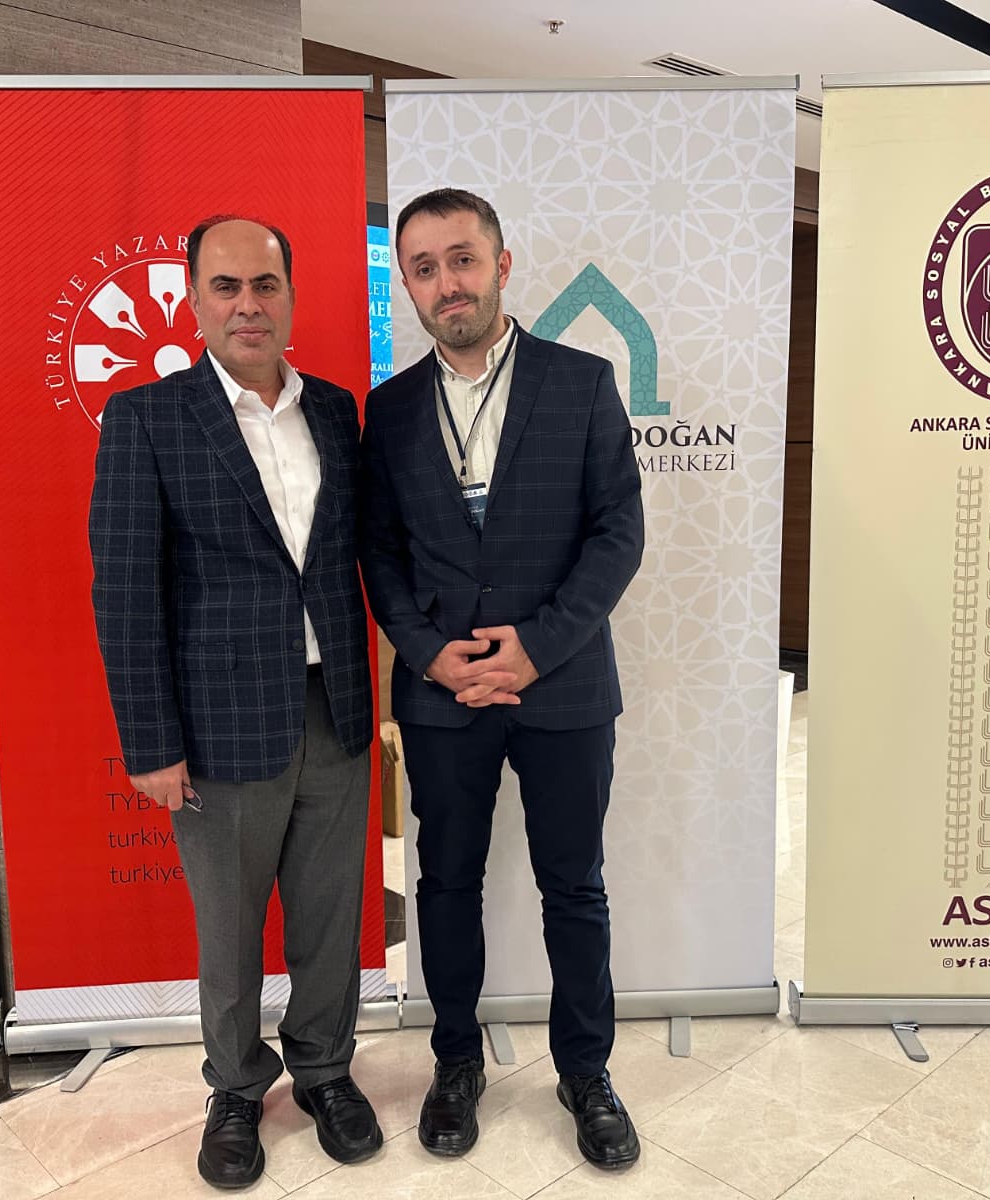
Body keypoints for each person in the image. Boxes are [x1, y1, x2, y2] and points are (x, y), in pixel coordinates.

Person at [89, 216, 379, 1189]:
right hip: (216, 724)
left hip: (335, 706)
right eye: (226, 286)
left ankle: (326, 1071)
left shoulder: (334, 410)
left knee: (330, 916)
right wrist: (150, 741)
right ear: (193, 299)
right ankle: (236, 1087)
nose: (247, 304)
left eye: (265, 284)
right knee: (229, 926)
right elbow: (125, 590)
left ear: (290, 295)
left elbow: (351, 558)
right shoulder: (147, 418)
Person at [360, 188, 645, 1169]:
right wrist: (427, 652)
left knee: (575, 885)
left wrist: (539, 645)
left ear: (501, 265)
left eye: (462, 259)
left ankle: (586, 1072)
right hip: (441, 695)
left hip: (564, 686)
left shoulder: (583, 382)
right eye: (424, 268)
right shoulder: (390, 410)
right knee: (445, 884)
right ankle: (454, 1063)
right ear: (408, 286)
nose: (447, 283)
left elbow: (618, 532)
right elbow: (379, 551)